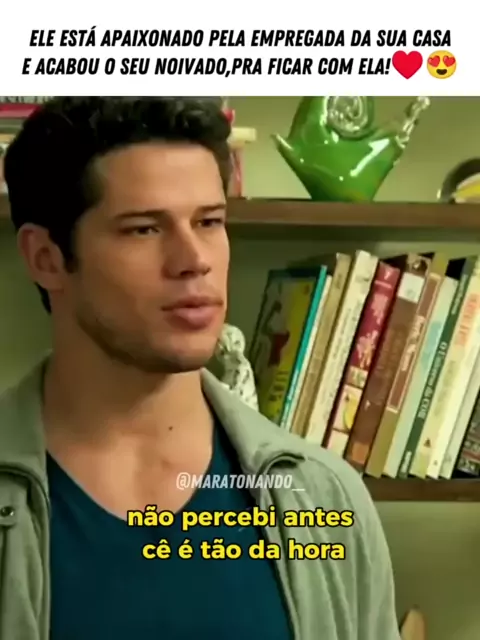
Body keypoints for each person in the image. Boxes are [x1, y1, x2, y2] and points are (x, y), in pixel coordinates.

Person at [0, 97, 401, 640]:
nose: (195, 260)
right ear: (46, 258)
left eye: (209, 221)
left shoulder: (323, 499)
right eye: (144, 229)